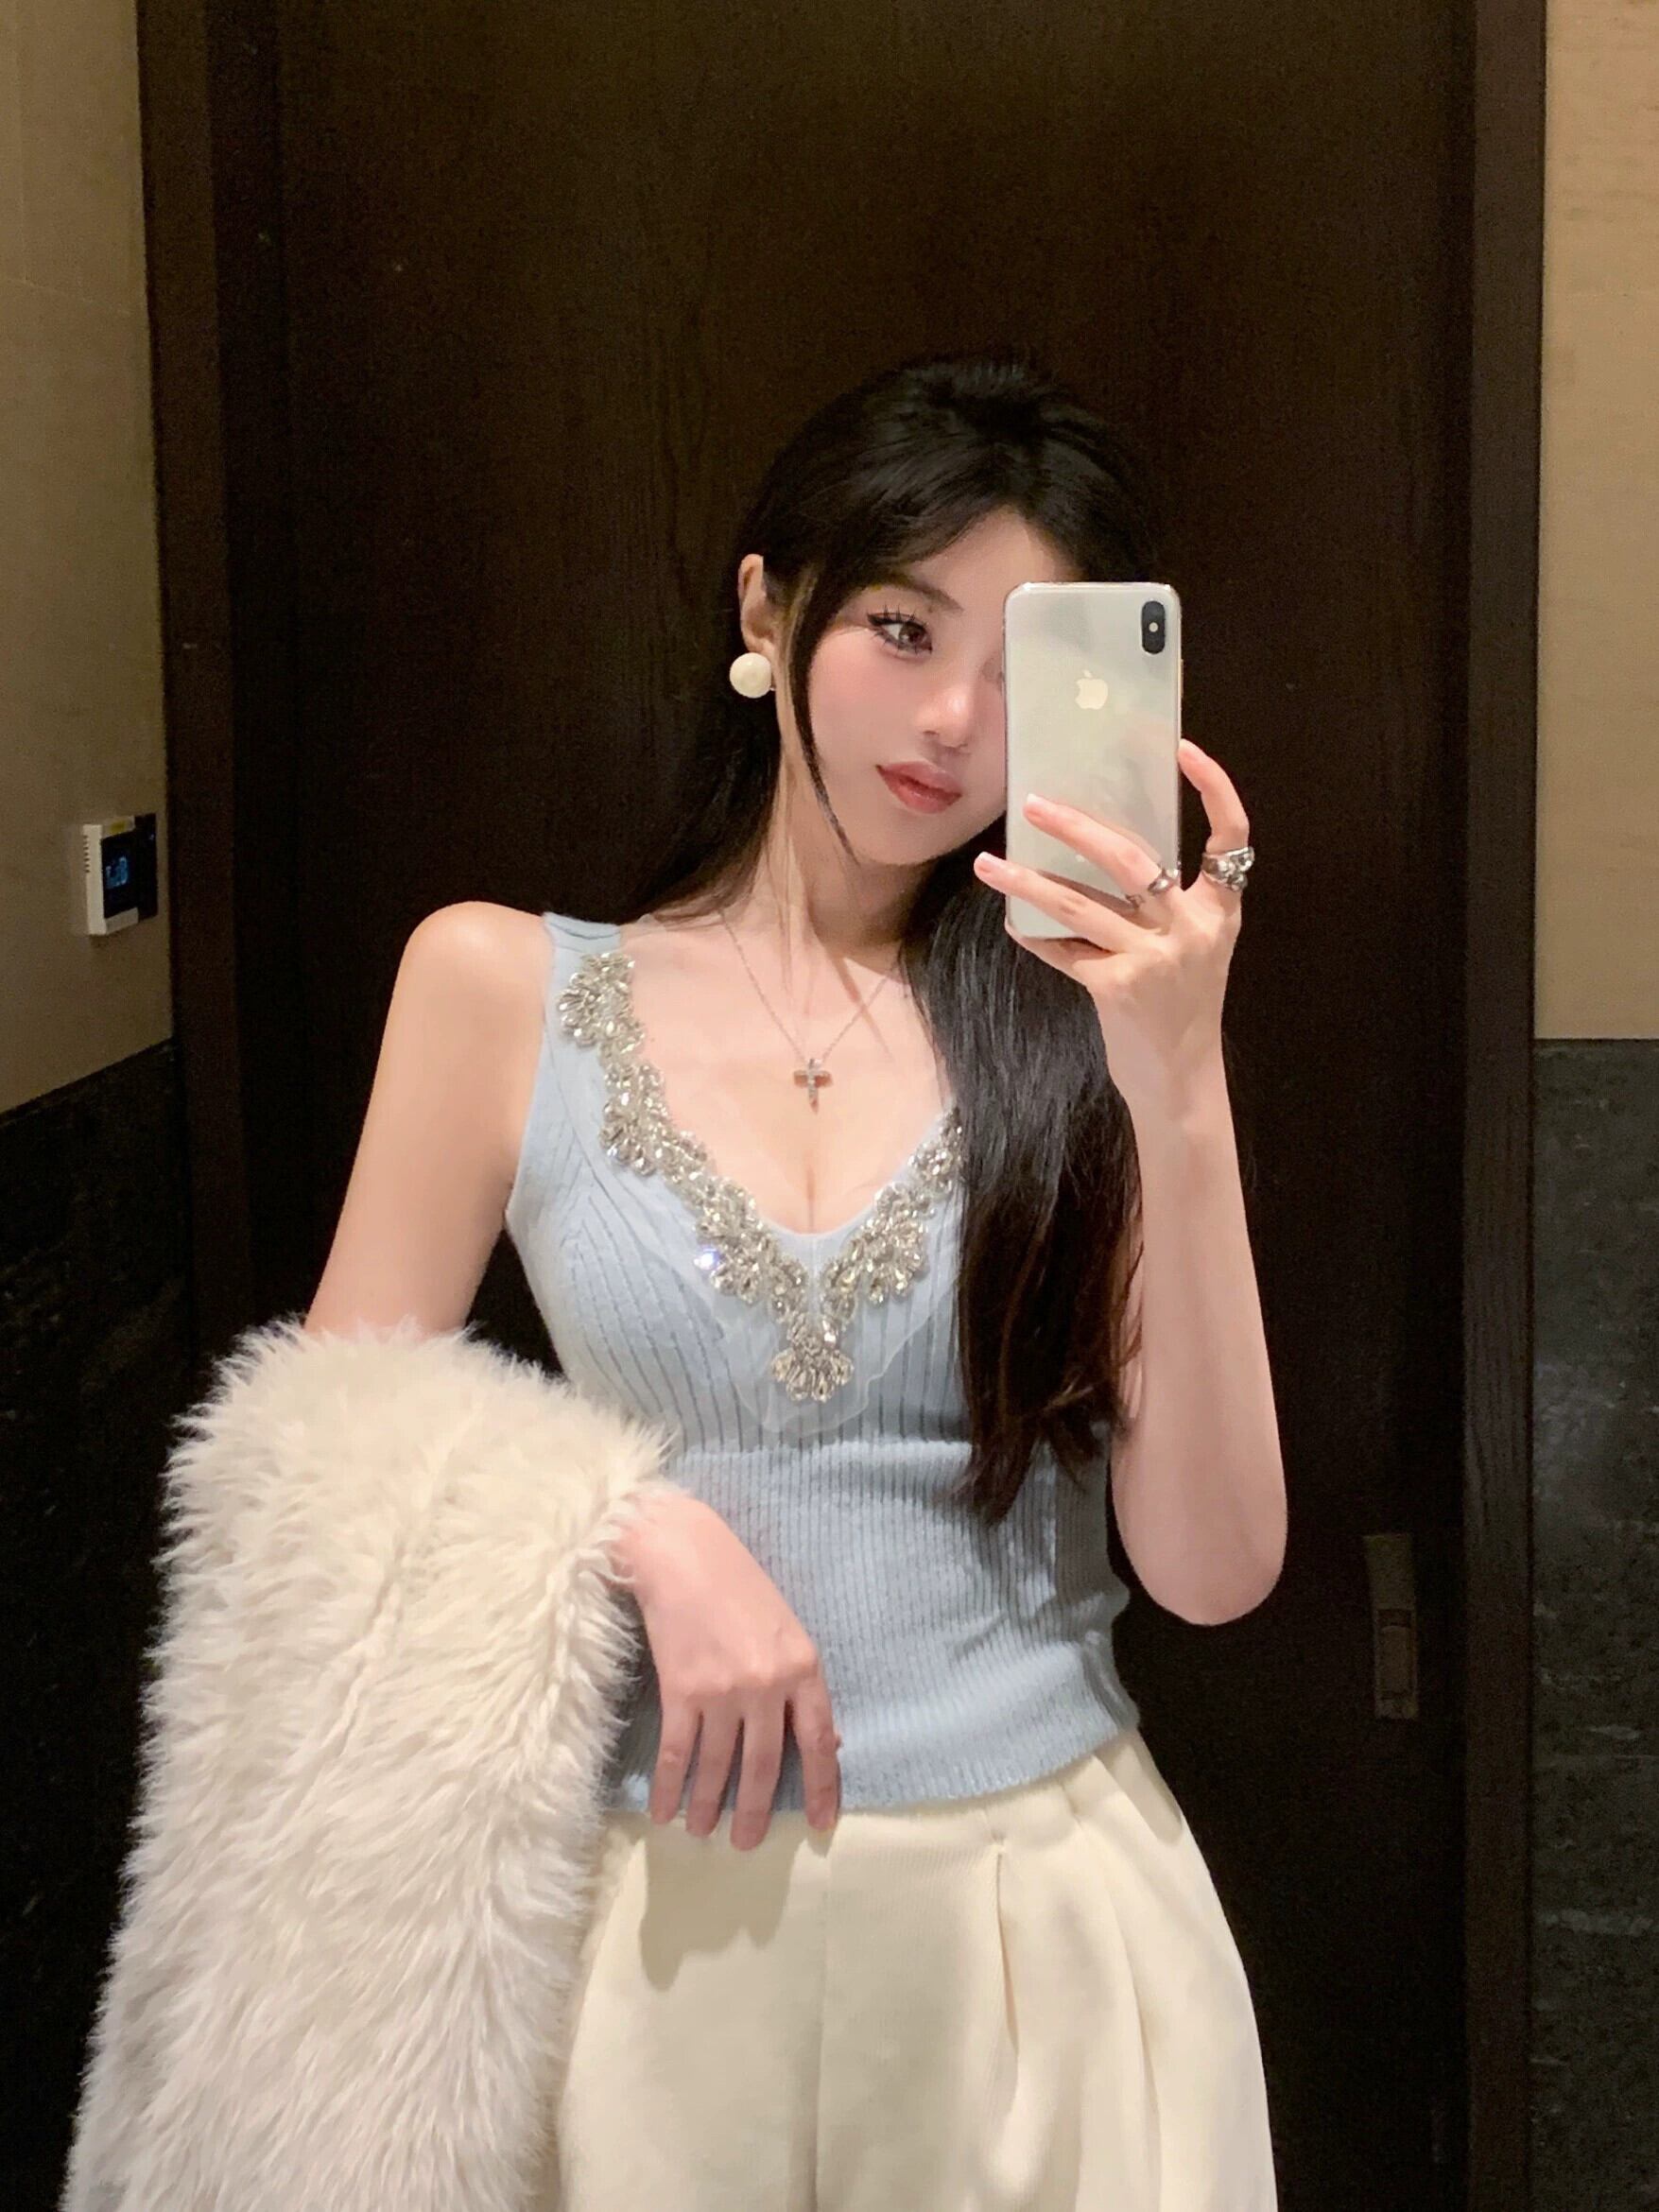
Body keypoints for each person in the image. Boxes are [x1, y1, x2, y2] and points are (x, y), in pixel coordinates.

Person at [302, 348, 1283, 2210]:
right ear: (767, 610)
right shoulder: (501, 987)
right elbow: (322, 1465)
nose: (954, 722)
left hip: (1041, 1933)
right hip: (642, 1935)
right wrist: (631, 1527)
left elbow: (1216, 1568)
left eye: (1026, 672)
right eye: (904, 631)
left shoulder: (1092, 1033)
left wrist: (1181, 1083)